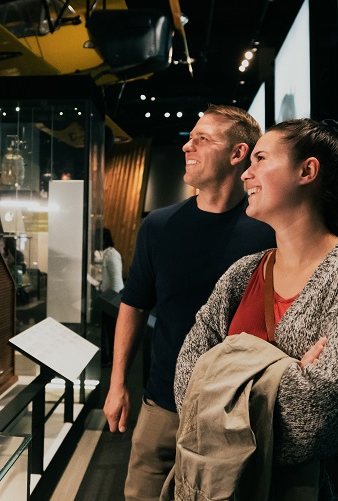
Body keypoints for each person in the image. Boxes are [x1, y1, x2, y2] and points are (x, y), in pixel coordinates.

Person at [169, 118, 338, 499]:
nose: (247, 173)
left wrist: (224, 376)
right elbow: (184, 387)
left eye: (260, 158)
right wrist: (288, 373)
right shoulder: (242, 274)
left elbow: (316, 420)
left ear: (307, 171)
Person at [104, 104, 276, 501]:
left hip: (235, 411)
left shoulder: (268, 230)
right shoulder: (158, 226)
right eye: (189, 137)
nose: (187, 146)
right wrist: (118, 386)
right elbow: (134, 304)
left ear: (238, 154)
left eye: (203, 139)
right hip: (162, 404)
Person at [99, 227, 124, 293]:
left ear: (104, 240)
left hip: (111, 296)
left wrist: (112, 300)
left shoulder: (112, 255)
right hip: (105, 294)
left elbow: (116, 280)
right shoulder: (103, 253)